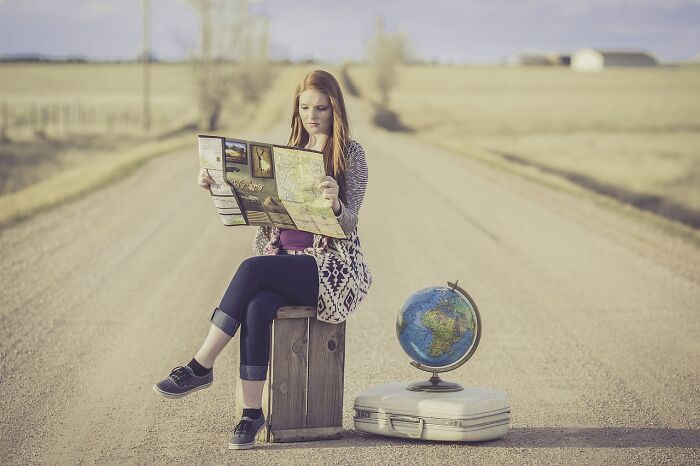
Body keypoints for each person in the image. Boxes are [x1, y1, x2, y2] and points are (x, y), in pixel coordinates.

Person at [153, 69, 372, 450]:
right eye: (305, 107)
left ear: (336, 109)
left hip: (329, 268)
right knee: (257, 305)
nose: (312, 115)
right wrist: (216, 181)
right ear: (297, 110)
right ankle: (251, 415)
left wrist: (336, 202)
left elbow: (351, 221)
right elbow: (254, 197)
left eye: (321, 107)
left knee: (250, 269)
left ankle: (200, 365)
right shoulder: (288, 153)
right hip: (284, 259)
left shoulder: (351, 154)